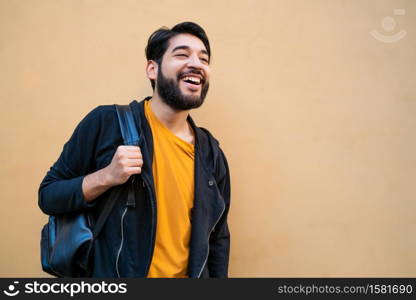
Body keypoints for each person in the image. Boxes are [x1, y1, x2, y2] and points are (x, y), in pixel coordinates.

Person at [38, 22, 231, 278]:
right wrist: (106, 177)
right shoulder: (107, 123)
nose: (196, 63)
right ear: (152, 68)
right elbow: (48, 195)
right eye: (182, 54)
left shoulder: (211, 153)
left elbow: (218, 238)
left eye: (204, 58)